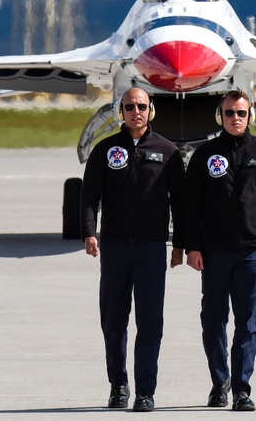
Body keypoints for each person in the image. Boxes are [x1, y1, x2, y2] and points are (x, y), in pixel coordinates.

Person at [81, 87, 186, 412]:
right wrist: (89, 233)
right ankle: (118, 385)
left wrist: (180, 244)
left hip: (151, 248)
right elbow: (89, 196)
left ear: (150, 109)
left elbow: (180, 204)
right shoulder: (105, 149)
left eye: (141, 106)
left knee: (150, 322)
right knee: (113, 321)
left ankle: (145, 391)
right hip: (114, 248)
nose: (135, 112)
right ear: (121, 111)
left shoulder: (167, 151)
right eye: (129, 107)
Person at [185, 88, 256, 412]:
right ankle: (220, 384)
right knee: (213, 321)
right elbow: (191, 207)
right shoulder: (205, 155)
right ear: (221, 116)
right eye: (229, 113)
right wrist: (192, 248)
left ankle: (242, 389)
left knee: (248, 323)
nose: (235, 119)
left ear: (250, 115)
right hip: (213, 254)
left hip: (251, 253)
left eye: (241, 113)